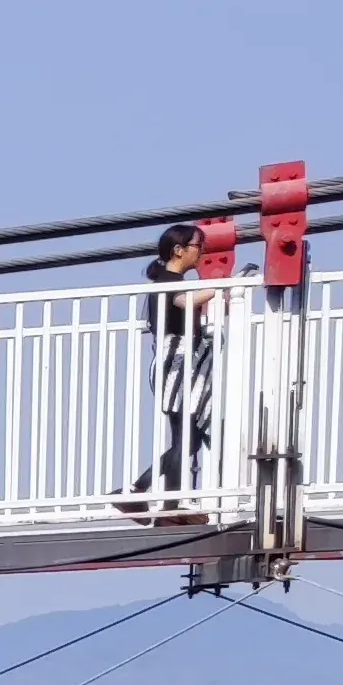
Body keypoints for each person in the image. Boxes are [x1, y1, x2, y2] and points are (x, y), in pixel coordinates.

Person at [128, 220, 215, 513]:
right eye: (197, 246)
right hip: (176, 365)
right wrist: (226, 285)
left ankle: (150, 496)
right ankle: (159, 500)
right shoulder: (169, 282)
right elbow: (185, 301)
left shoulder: (166, 281)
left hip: (176, 365)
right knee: (186, 438)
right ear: (178, 250)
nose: (201, 252)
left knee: (186, 440)